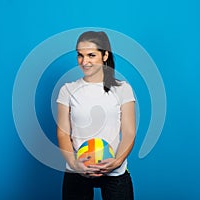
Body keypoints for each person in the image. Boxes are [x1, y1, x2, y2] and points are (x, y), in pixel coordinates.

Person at [56, 31, 136, 200]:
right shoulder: (67, 90)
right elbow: (63, 133)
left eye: (91, 55)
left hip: (114, 170)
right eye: (80, 55)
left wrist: (116, 162)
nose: (84, 62)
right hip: (78, 170)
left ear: (105, 55)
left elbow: (129, 132)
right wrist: (74, 164)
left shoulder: (123, 89)